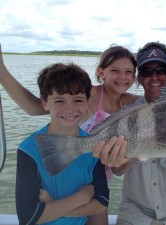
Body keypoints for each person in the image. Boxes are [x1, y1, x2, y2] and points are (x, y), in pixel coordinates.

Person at [0, 44, 137, 224]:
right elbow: (37, 107)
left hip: (95, 174)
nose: (122, 77)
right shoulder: (88, 94)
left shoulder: (135, 104)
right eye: (115, 70)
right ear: (101, 72)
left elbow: (117, 172)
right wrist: (2, 72)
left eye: (129, 71)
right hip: (70, 164)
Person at [95, 41, 166, 225]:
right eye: (146, 71)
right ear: (139, 78)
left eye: (161, 70)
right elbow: (118, 170)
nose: (154, 77)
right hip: (134, 211)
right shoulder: (128, 113)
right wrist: (120, 158)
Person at [15, 62, 110, 225]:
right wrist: (80, 198)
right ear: (44, 103)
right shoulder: (29, 149)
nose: (70, 108)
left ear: (87, 102)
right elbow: (29, 216)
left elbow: (101, 203)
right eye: (59, 101)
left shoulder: (94, 144)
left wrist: (52, 205)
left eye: (78, 100)